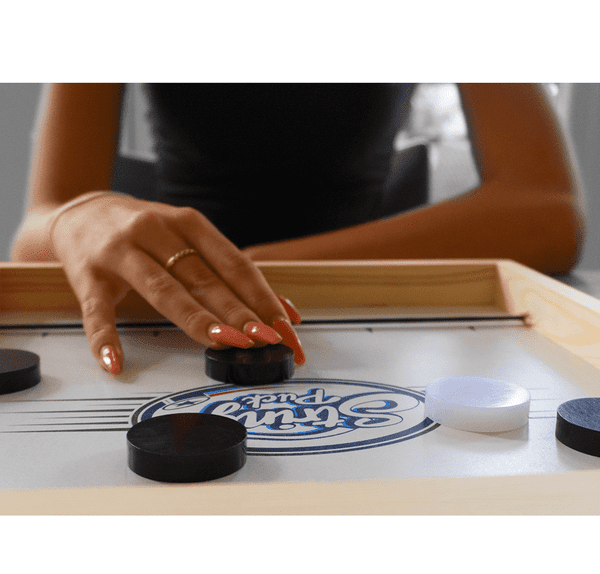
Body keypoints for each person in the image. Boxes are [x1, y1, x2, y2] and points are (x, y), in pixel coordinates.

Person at [10, 83, 585, 376]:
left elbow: (546, 212)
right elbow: (32, 238)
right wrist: (77, 218)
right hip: (169, 318)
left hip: (363, 318)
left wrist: (247, 270)